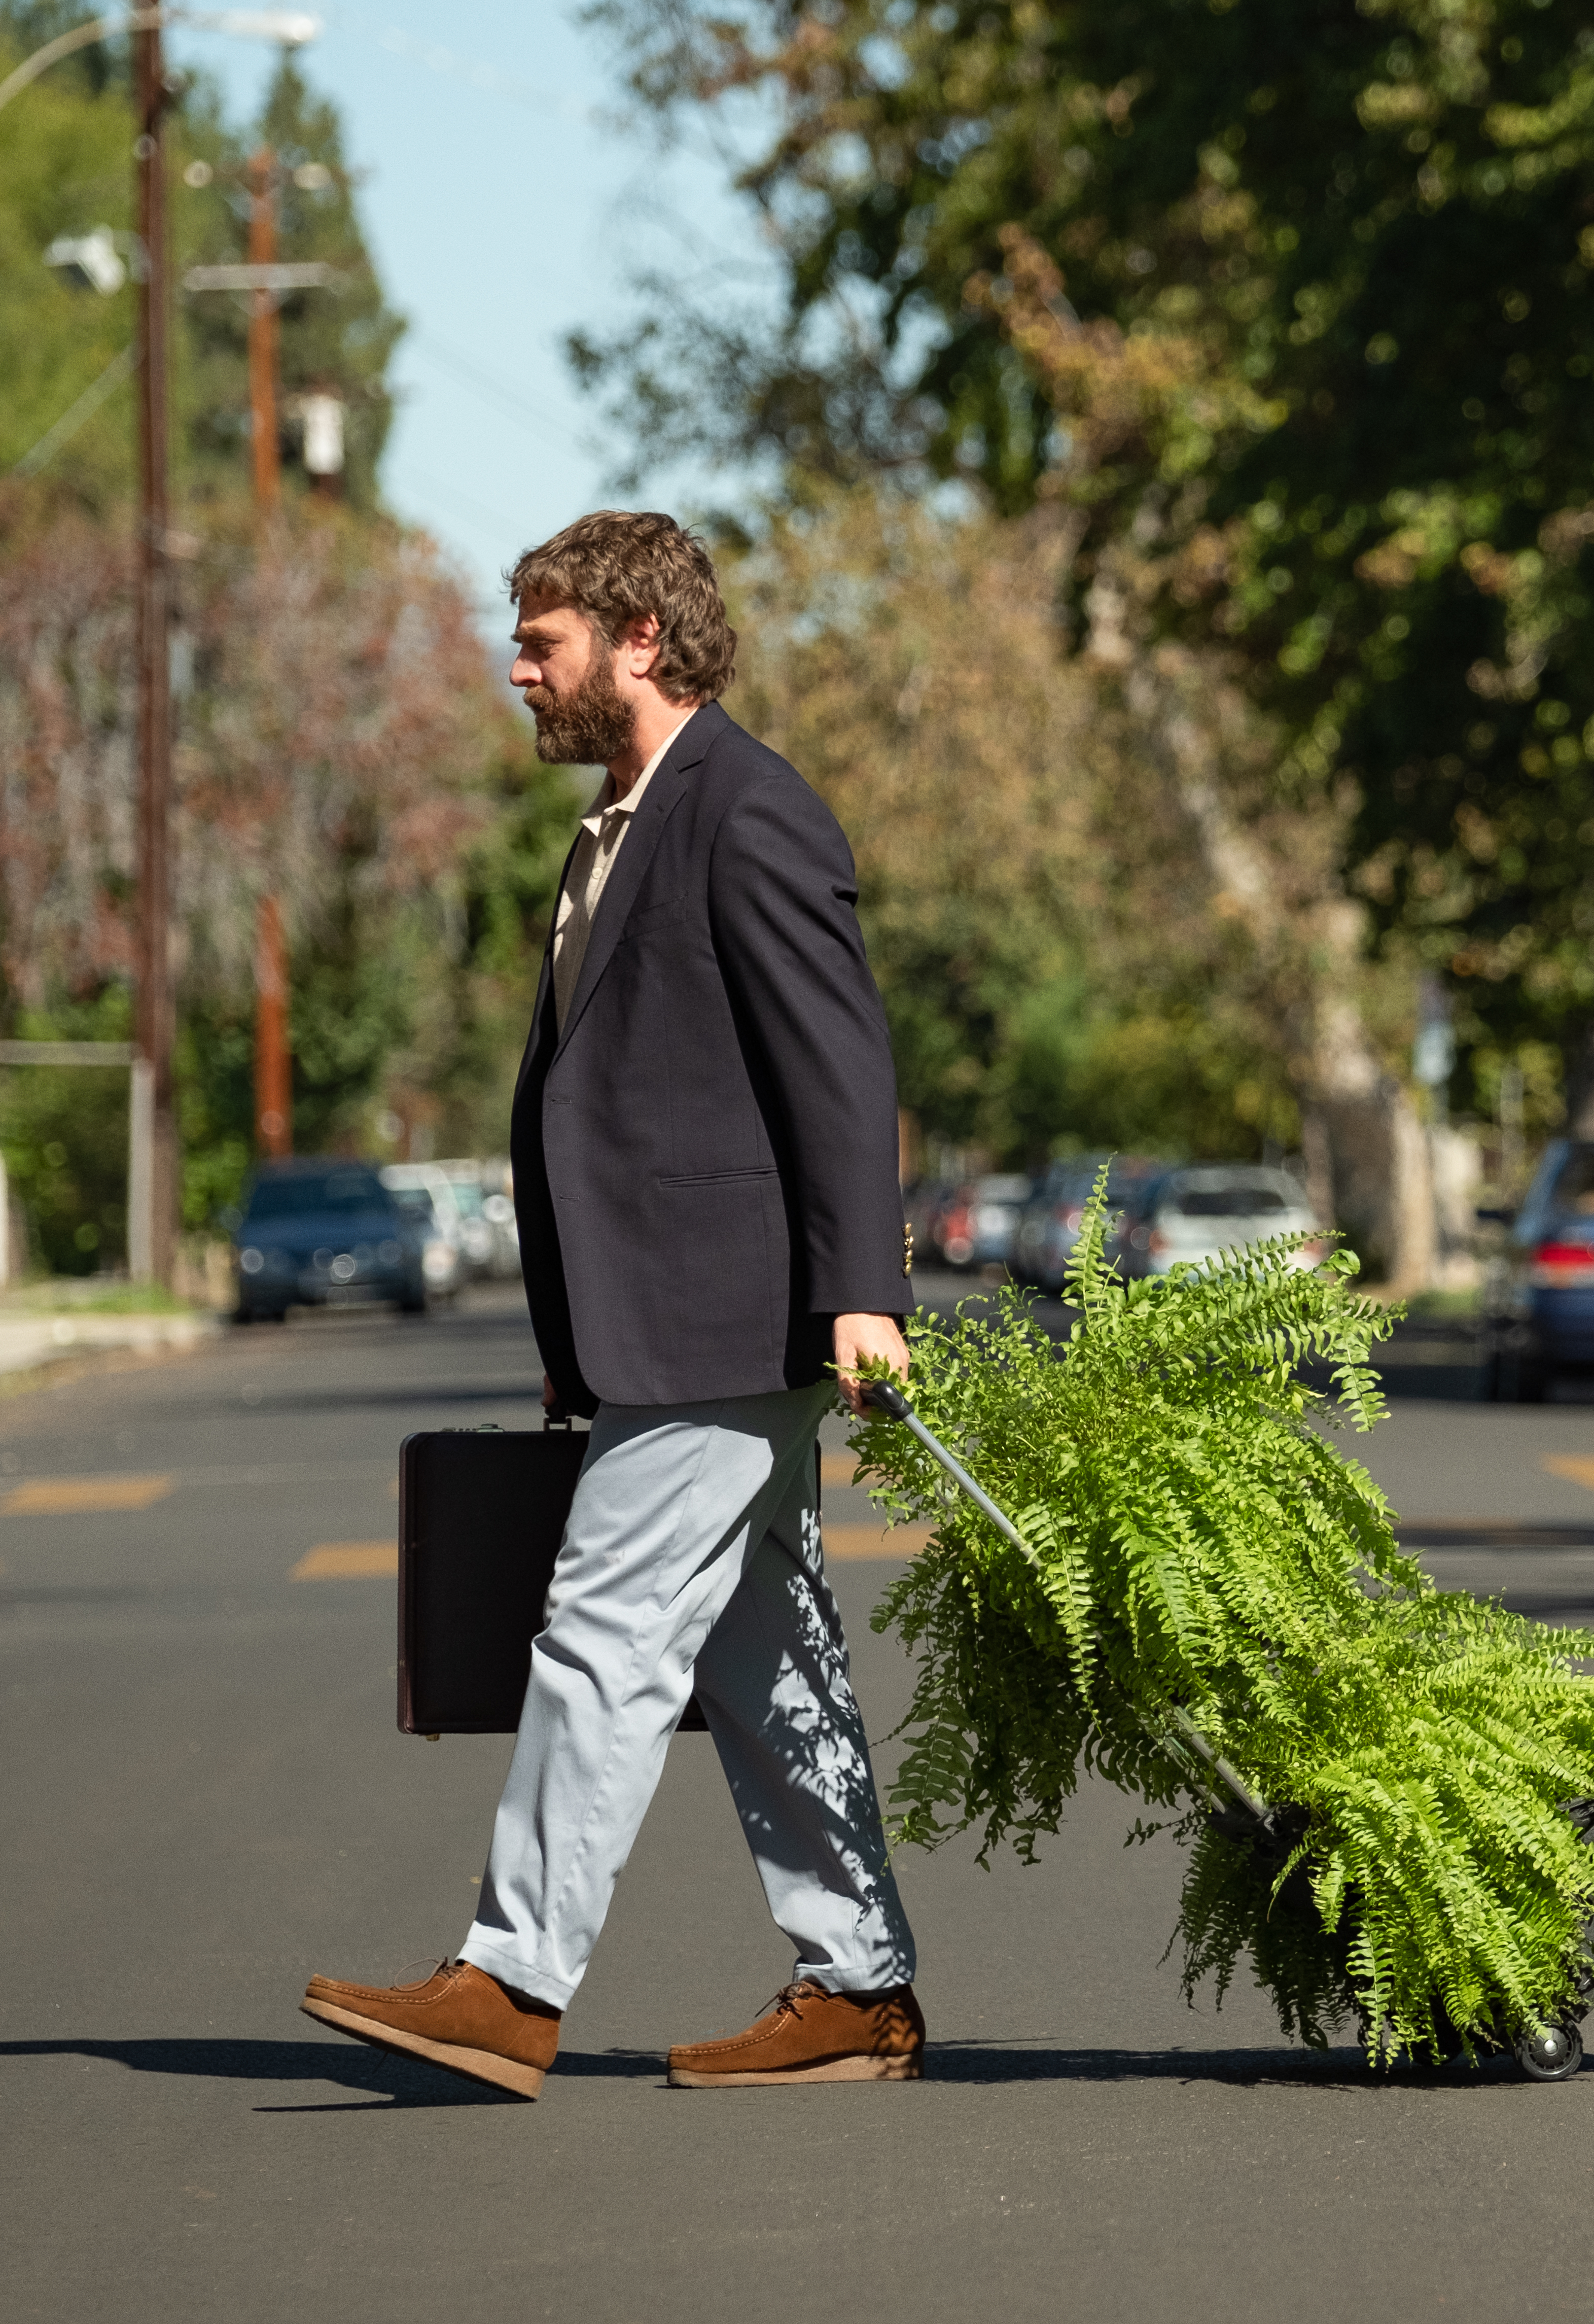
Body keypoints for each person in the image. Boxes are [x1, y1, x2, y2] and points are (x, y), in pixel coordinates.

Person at [300, 512, 924, 2099]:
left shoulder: (748, 810)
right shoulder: (629, 818)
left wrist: (863, 1289)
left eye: (543, 639)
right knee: (759, 1647)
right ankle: (856, 1984)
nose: (518, 669)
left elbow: (840, 1067)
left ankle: (512, 1979)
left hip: (725, 1316)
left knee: (599, 1636)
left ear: (639, 640)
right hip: (672, 1314)